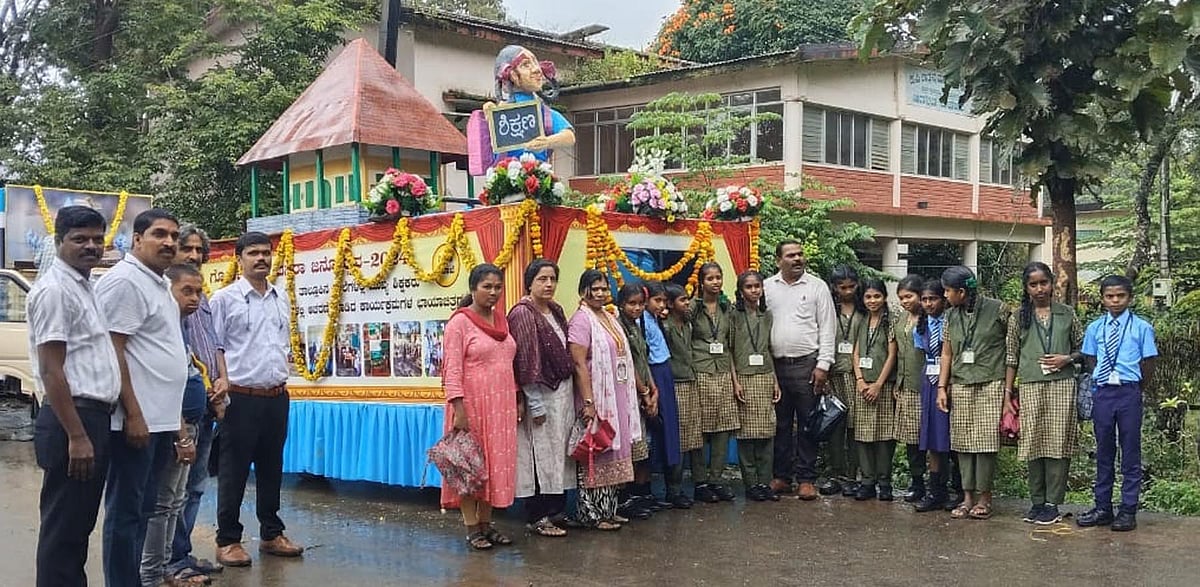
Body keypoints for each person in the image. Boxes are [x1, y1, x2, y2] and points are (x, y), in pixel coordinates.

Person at [27, 206, 122, 587]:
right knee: (63, 530)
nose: (90, 246)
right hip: (73, 420)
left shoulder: (86, 285)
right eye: (79, 239)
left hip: (92, 417)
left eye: (97, 239)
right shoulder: (54, 291)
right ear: (59, 241)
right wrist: (78, 436)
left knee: (78, 525)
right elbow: (52, 369)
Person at [98, 209, 190, 587]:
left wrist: (176, 423)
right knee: (126, 514)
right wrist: (133, 414)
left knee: (144, 510)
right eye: (159, 235)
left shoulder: (156, 283)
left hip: (160, 420)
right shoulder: (125, 282)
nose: (169, 242)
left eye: (173, 236)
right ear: (137, 240)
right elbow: (112, 349)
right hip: (135, 423)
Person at [211, 231, 304, 565]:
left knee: (271, 467)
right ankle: (228, 539)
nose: (262, 258)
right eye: (253, 253)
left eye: (266, 253)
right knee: (233, 470)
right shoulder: (224, 299)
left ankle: (271, 533)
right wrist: (220, 391)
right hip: (240, 397)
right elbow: (215, 346)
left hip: (276, 396)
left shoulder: (281, 297)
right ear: (240, 259)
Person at [141, 264, 212, 587]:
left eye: (199, 291)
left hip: (189, 425)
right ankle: (153, 574)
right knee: (162, 503)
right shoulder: (163, 328)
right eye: (187, 291)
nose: (195, 298)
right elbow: (166, 386)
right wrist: (181, 434)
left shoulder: (180, 326)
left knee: (176, 501)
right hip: (173, 428)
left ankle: (167, 568)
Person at [441, 263, 519, 550]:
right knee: (468, 466)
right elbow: (451, 370)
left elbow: (509, 363)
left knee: (494, 465)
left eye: (497, 287)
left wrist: (517, 399)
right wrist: (458, 409)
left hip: (502, 406)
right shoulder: (459, 323)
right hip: (471, 406)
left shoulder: (502, 321)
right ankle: (471, 527)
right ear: (473, 288)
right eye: (487, 286)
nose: (493, 292)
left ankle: (487, 524)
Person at [167, 224, 227, 580]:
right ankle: (170, 562)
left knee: (196, 486)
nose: (193, 255)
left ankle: (183, 554)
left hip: (210, 402)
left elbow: (214, 344)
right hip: (183, 405)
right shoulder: (170, 295)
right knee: (172, 491)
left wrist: (223, 381)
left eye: (198, 250)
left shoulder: (201, 295)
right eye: (186, 249)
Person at [1004, 262, 1083, 526]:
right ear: (1026, 288)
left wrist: (1067, 359)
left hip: (1062, 384)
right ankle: (1037, 501)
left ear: (1052, 283)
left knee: (1058, 443)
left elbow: (1083, 348)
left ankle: (1053, 503)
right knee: (1033, 442)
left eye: (1043, 283)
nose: (1039, 289)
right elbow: (1011, 357)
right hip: (1031, 385)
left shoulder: (1067, 314)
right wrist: (1008, 394)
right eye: (1033, 284)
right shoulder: (1018, 317)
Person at [1077, 275, 1157, 532]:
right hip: (1104, 393)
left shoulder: (1141, 327)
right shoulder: (1095, 328)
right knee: (1103, 450)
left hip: (1128, 392)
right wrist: (1101, 380)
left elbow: (1149, 362)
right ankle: (1103, 507)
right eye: (1109, 296)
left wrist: (1136, 388)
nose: (1115, 301)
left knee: (1130, 451)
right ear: (1102, 299)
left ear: (1130, 298)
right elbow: (1090, 358)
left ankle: (1128, 509)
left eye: (1120, 296)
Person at [763, 239, 836, 501]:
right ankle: (782, 476)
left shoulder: (817, 286)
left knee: (808, 424)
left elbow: (828, 327)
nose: (797, 259)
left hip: (808, 365)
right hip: (776, 367)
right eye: (791, 255)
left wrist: (823, 365)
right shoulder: (767, 287)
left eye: (800, 254)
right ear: (778, 260)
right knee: (780, 424)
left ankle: (806, 478)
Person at [508, 260, 575, 538]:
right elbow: (525, 361)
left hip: (562, 394)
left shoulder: (556, 310)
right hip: (540, 395)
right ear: (529, 283)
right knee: (538, 454)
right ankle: (537, 515)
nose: (548, 284)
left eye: (552, 279)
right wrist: (534, 403)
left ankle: (556, 511)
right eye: (542, 279)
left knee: (558, 453)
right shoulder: (523, 313)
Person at [568, 269, 640, 530]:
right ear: (583, 291)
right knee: (596, 450)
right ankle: (590, 513)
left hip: (617, 394)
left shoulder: (609, 316)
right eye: (593, 288)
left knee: (614, 449)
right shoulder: (581, 320)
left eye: (603, 288)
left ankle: (608, 510)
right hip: (595, 395)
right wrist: (588, 402)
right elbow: (578, 363)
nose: (599, 293)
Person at [938, 266, 1009, 520]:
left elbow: (1011, 348)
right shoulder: (950, 316)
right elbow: (946, 353)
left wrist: (1009, 390)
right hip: (960, 383)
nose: (944, 295)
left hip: (991, 382)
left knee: (986, 442)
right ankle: (967, 496)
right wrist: (941, 387)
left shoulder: (998, 309)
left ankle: (985, 497)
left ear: (961, 291)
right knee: (963, 441)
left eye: (947, 291)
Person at [689, 263, 741, 503]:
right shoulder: (692, 308)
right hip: (700, 373)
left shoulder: (727, 309)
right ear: (701, 282)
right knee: (700, 428)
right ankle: (700, 481)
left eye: (718, 277)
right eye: (710, 278)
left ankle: (716, 480)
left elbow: (730, 346)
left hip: (722, 374)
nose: (715, 282)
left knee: (722, 428)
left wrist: (734, 379)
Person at [731, 270, 781, 502]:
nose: (753, 290)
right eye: (748, 287)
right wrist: (735, 381)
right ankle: (750, 484)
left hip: (764, 377)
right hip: (744, 378)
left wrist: (775, 381)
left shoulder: (767, 316)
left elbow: (769, 350)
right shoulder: (733, 316)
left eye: (757, 286)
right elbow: (729, 351)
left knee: (766, 433)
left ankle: (764, 482)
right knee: (746, 435)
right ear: (741, 291)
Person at [850, 278, 898, 501]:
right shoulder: (861, 320)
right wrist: (860, 379)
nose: (872, 301)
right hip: (862, 386)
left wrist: (878, 384)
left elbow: (892, 354)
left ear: (884, 297)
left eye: (877, 296)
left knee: (884, 436)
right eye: (868, 297)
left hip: (883, 387)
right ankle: (867, 481)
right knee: (863, 435)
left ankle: (884, 482)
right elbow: (856, 353)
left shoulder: (890, 321)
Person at [821, 264, 865, 497]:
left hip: (859, 377)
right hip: (834, 374)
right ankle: (835, 473)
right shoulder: (828, 307)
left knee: (856, 427)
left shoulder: (864, 308)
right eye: (842, 287)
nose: (847, 291)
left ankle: (853, 474)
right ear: (834, 287)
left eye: (851, 286)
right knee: (835, 425)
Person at [616, 283, 658, 520]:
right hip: (630, 395)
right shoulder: (619, 327)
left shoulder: (637, 325)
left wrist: (653, 389)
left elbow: (643, 358)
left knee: (644, 448)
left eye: (640, 304)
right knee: (631, 449)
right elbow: (628, 365)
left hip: (644, 391)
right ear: (621, 304)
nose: (637, 308)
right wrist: (643, 392)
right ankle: (625, 499)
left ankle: (639, 494)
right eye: (631, 304)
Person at [641, 281, 685, 508]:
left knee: (669, 432)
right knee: (653, 432)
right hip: (653, 374)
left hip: (664, 371)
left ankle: (671, 489)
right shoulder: (640, 322)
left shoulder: (656, 320)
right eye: (657, 301)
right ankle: (646, 491)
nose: (661, 305)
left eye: (664, 301)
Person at [913, 279, 956, 513]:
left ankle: (957, 489)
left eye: (933, 299)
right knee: (931, 438)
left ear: (944, 299)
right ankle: (935, 490)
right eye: (925, 299)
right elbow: (922, 354)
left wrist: (947, 382)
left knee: (950, 437)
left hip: (949, 382)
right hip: (930, 382)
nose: (928, 304)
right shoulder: (921, 325)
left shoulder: (951, 322)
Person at [663, 282, 703, 507]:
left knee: (692, 435)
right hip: (675, 385)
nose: (687, 303)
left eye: (688, 299)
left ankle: (699, 484)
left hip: (691, 382)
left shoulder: (687, 324)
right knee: (676, 438)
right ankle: (674, 489)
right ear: (670, 303)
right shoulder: (665, 326)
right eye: (682, 300)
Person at [893, 275, 928, 503]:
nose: (905, 301)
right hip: (905, 385)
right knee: (910, 439)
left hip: (925, 384)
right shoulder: (901, 318)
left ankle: (938, 482)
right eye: (901, 298)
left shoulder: (931, 318)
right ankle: (916, 482)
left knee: (927, 438)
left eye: (909, 296)